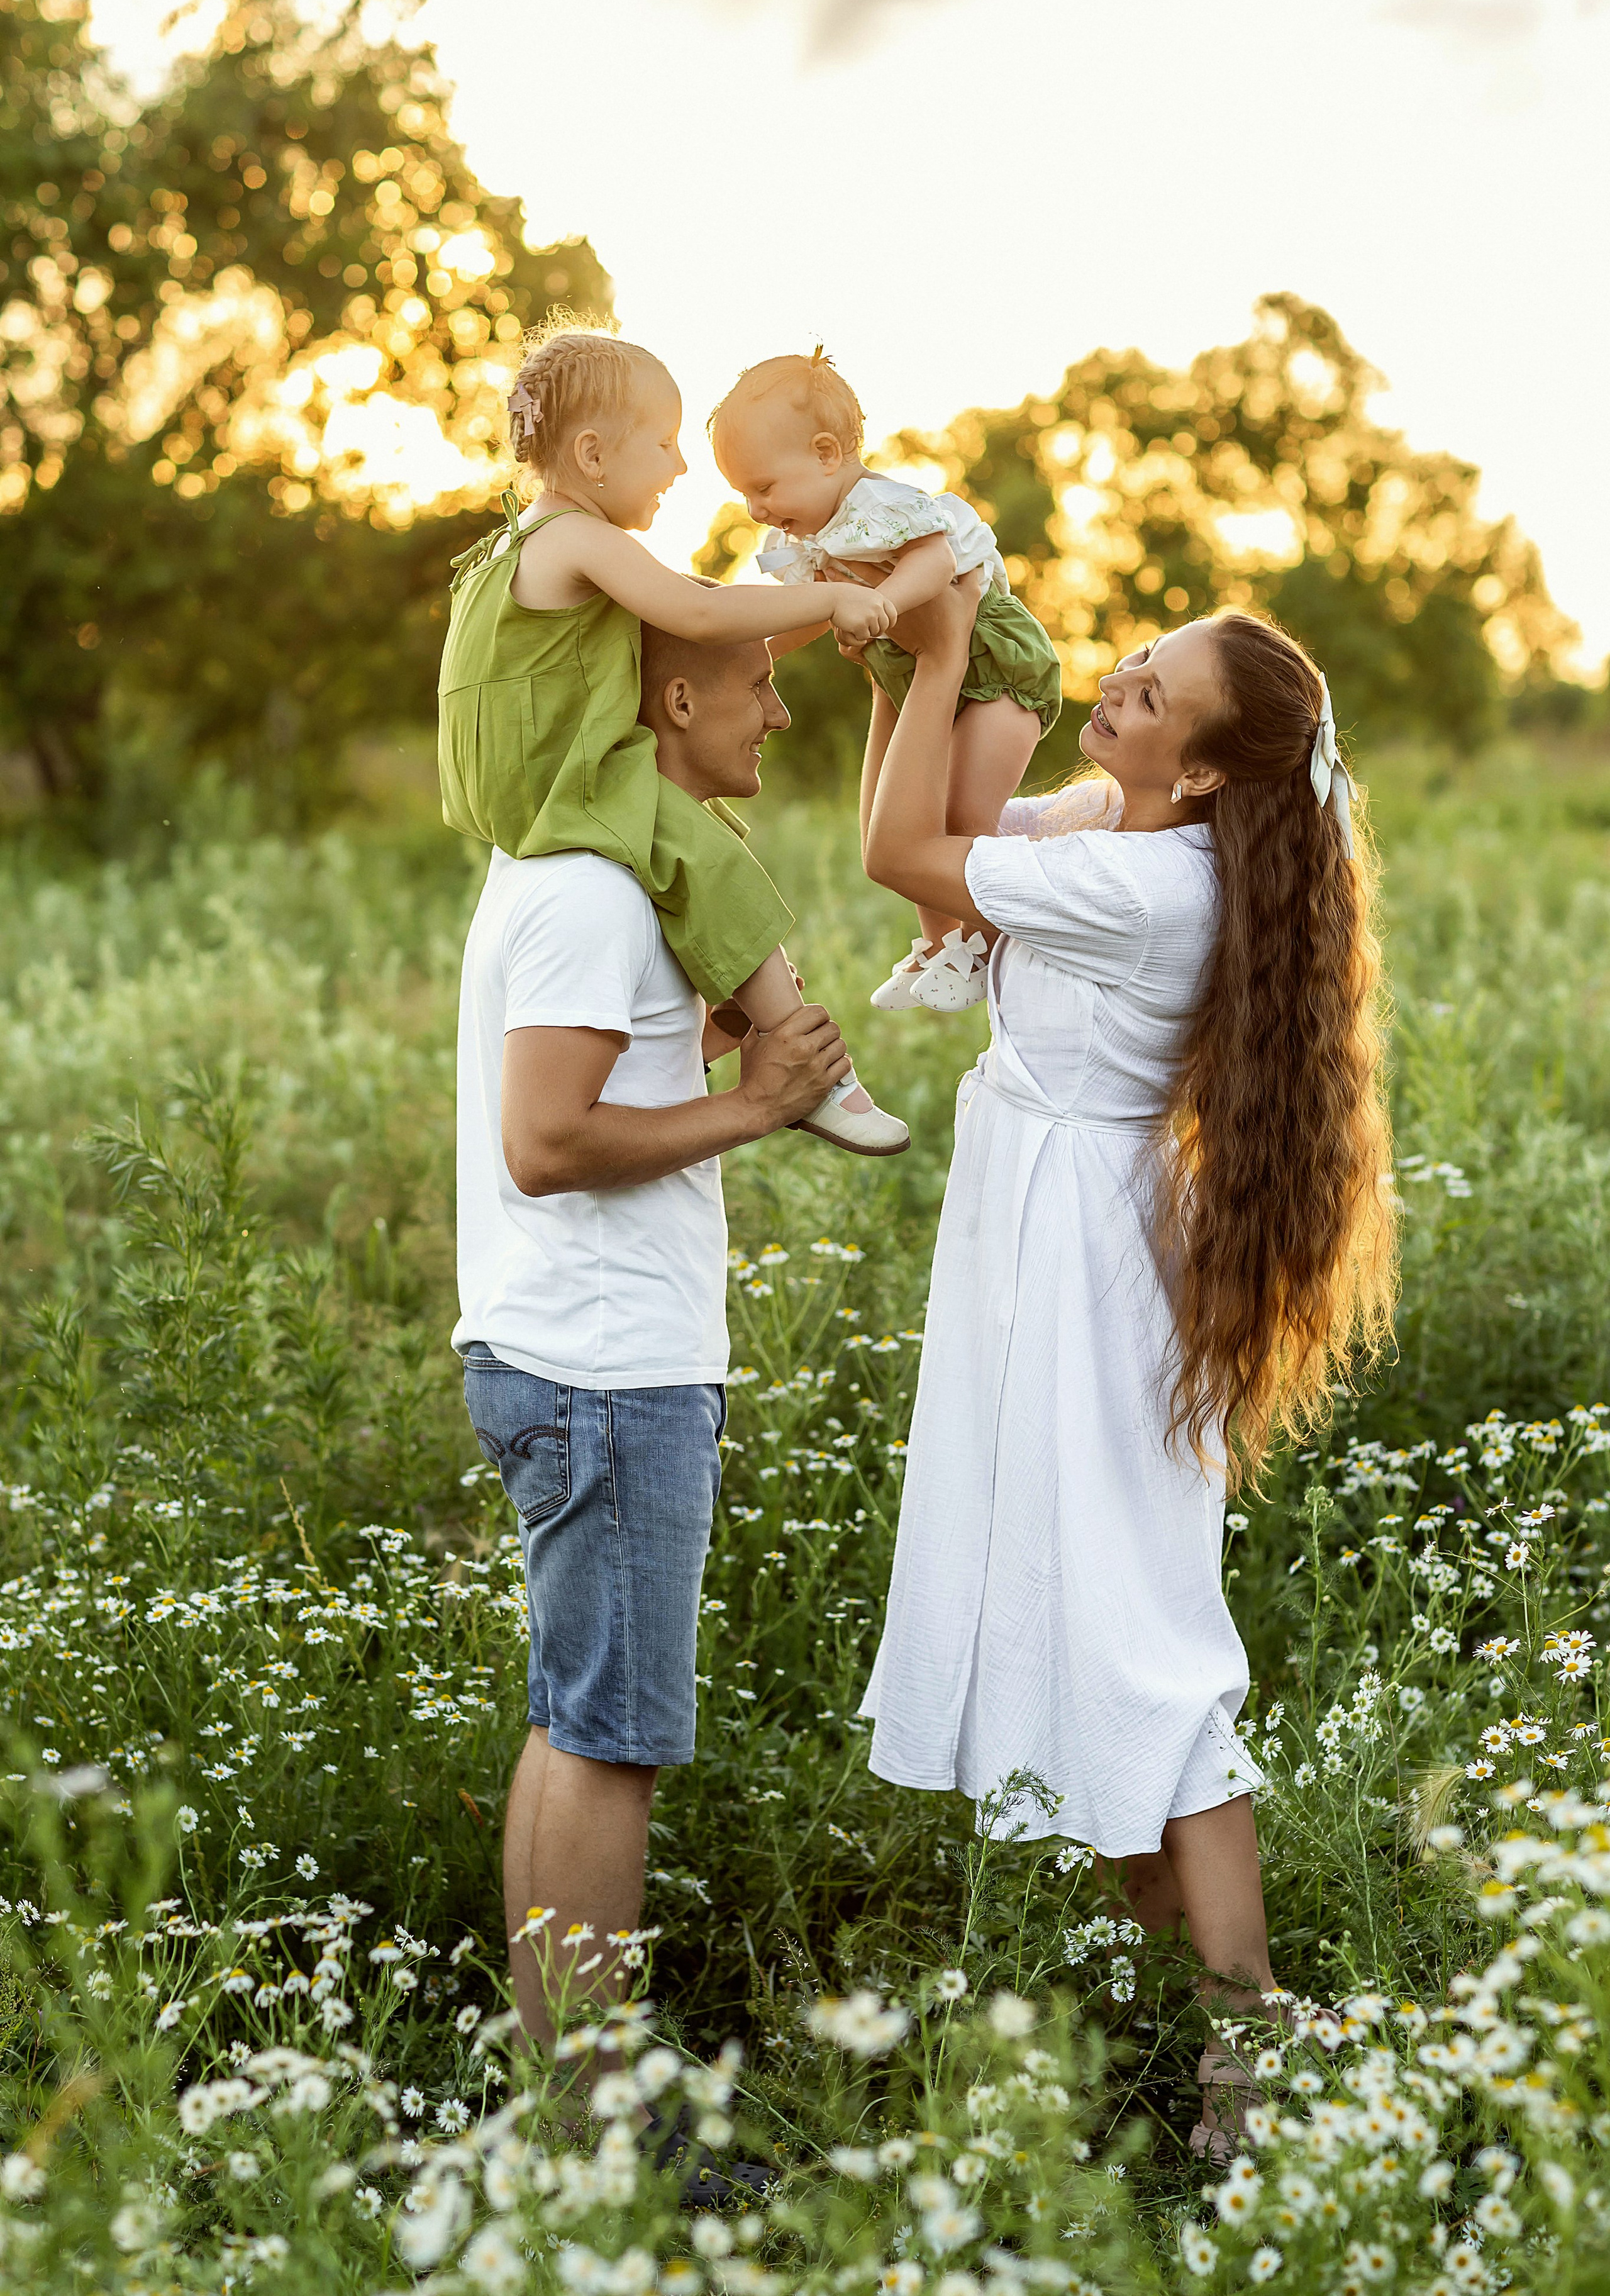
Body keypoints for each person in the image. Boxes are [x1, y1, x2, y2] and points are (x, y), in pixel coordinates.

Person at [855, 574, 1396, 2162]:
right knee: (1070, 1609)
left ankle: (1246, 2032)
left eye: (1149, 694)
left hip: (1081, 1261)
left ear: (1206, 770)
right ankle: (1174, 2001)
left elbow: (898, 856)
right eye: (1134, 661)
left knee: (1144, 1639)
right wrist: (900, 672)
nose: (1114, 686)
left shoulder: (1147, 884)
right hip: (1047, 1234)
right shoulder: (1119, 822)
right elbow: (938, 821)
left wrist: (940, 659)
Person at [454, 615, 843, 2196]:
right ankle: (596, 2140)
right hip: (604, 1365)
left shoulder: (591, 869)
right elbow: (544, 1140)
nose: (779, 713)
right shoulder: (596, 891)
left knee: (574, 1724)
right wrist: (756, 1106)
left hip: (577, 1353)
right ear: (674, 698)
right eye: (759, 684)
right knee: (609, 1744)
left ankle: (564, 2108)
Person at [438, 321, 908, 1156]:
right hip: (567, 776)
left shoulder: (509, 548)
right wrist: (834, 600)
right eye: (663, 443)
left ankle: (730, 1014)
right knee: (706, 852)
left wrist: (826, 609)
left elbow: (721, 639)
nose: (681, 466)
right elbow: (699, 614)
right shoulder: (578, 539)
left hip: (531, 782)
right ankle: (805, 1056)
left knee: (694, 840)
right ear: (592, 454)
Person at [709, 348, 1062, 1015]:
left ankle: (987, 947)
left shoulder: (882, 507)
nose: (755, 509)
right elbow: (804, 615)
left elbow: (936, 562)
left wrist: (885, 604)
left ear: (825, 454)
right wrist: (750, 651)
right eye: (743, 496)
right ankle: (943, 944)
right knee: (894, 825)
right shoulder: (815, 541)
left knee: (963, 817)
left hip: (993, 664)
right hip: (911, 671)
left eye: (763, 487)